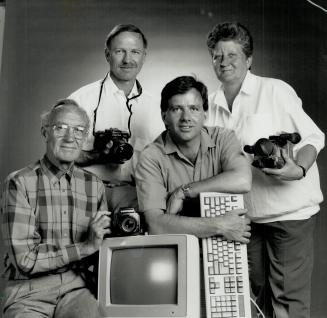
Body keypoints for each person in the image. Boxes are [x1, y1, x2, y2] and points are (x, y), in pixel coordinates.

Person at [205, 22, 325, 318]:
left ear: (249, 60)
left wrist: (297, 168)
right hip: (246, 219)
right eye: (218, 56)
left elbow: (312, 137)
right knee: (252, 299)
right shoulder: (210, 105)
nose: (224, 62)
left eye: (233, 55)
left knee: (287, 301)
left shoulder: (274, 90)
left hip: (288, 214)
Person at [1, 99, 111, 318]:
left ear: (84, 137)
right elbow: (26, 260)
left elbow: (102, 249)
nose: (70, 138)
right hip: (28, 292)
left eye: (79, 130)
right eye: (61, 128)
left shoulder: (94, 185)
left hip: (77, 289)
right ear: (45, 132)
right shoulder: (19, 183)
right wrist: (85, 247)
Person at [135, 75, 252, 242]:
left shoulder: (224, 139)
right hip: (179, 246)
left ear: (205, 113)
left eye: (194, 109)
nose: (186, 118)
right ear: (164, 116)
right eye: (177, 109)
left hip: (224, 242)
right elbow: (155, 225)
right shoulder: (151, 157)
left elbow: (242, 180)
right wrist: (220, 225)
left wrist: (185, 191)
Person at [69, 24, 165, 214]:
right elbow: (61, 154)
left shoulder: (159, 107)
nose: (128, 59)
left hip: (137, 196)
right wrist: (97, 155)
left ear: (144, 56)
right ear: (107, 55)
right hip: (86, 194)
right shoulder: (80, 100)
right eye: (120, 51)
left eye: (135, 52)